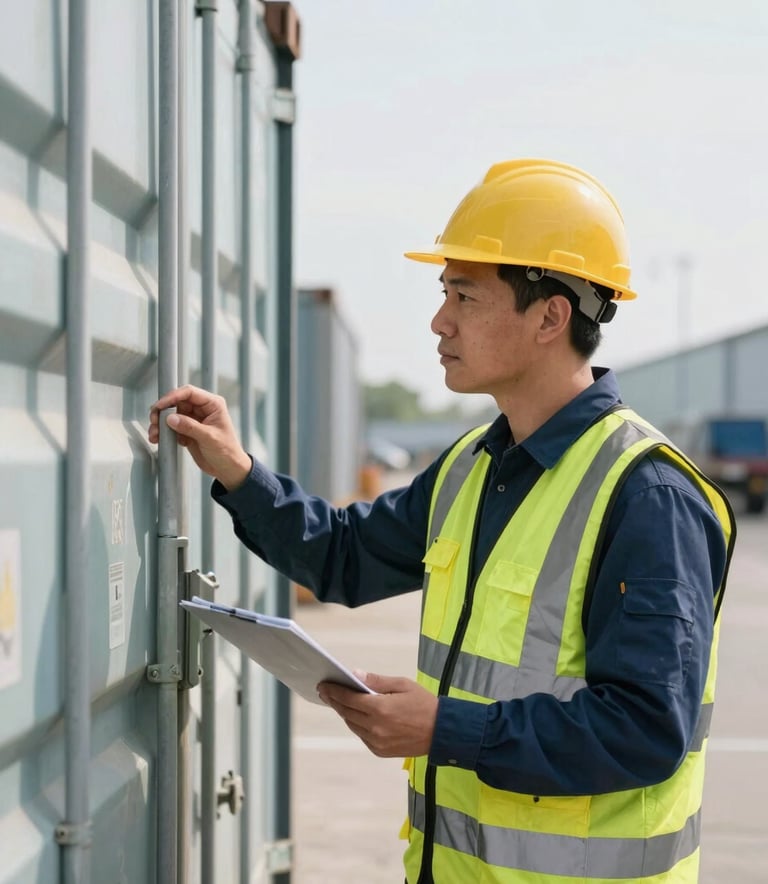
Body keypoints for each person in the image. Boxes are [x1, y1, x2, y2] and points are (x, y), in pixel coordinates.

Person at [149, 159, 735, 884]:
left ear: (551, 315)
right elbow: (345, 556)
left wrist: (443, 728)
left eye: (465, 295)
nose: (439, 320)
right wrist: (238, 468)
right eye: (444, 292)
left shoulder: (647, 496)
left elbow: (647, 731)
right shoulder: (472, 466)